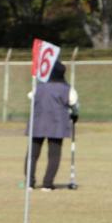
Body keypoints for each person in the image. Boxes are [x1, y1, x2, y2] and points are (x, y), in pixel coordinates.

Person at [27, 59, 77, 191]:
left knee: (32, 154)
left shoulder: (39, 86)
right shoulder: (67, 88)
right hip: (57, 126)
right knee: (54, 155)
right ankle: (47, 184)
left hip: (37, 124)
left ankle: (29, 183)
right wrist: (75, 115)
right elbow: (74, 102)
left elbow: (31, 96)